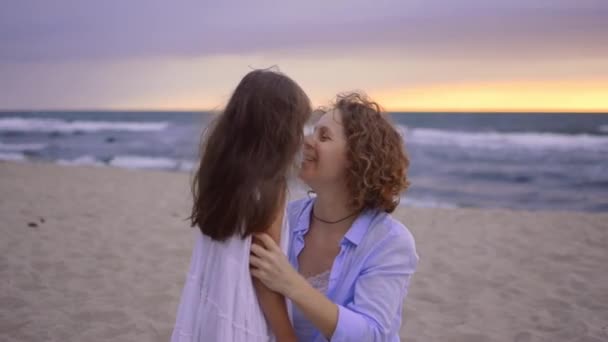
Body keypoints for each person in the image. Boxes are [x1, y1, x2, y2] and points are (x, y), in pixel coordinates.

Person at [250, 92, 418, 341]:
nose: (306, 141)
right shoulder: (286, 218)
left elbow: (370, 334)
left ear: (358, 159)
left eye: (324, 136)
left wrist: (291, 284)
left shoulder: (390, 241)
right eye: (312, 131)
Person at [171, 69, 311, 342]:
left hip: (207, 307)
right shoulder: (269, 188)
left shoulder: (219, 175)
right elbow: (264, 275)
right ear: (280, 129)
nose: (302, 137)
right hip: (242, 314)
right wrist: (287, 336)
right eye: (298, 126)